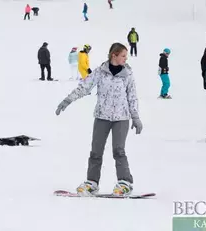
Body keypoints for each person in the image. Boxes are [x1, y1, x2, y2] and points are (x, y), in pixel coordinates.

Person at [55, 42, 143, 197]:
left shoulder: (128, 74)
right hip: (102, 116)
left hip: (121, 118)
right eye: (123, 55)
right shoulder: (100, 72)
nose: (125, 59)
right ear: (113, 55)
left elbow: (132, 96)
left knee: (119, 151)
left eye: (126, 56)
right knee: (96, 152)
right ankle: (92, 183)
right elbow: (84, 87)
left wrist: (135, 117)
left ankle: (125, 183)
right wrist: (67, 100)